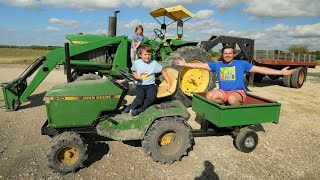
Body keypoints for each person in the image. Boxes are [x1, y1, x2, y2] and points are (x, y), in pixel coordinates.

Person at [176, 45, 297, 106]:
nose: (227, 55)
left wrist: (280, 72)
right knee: (209, 95)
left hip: (238, 92)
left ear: (233, 54)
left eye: (230, 53)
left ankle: (237, 111)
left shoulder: (242, 64)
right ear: (222, 54)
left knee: (232, 99)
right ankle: (225, 106)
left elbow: (260, 69)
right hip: (223, 92)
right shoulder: (218, 65)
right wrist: (185, 63)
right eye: (225, 53)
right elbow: (202, 66)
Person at [123, 44, 171, 116]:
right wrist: (136, 76)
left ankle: (139, 110)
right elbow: (134, 71)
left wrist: (169, 83)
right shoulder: (137, 63)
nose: (147, 56)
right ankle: (129, 108)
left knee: (151, 99)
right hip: (140, 85)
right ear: (140, 55)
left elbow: (163, 71)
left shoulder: (154, 63)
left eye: (149, 54)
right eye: (145, 54)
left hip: (151, 86)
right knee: (139, 100)